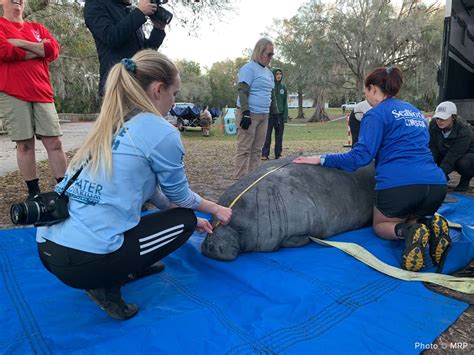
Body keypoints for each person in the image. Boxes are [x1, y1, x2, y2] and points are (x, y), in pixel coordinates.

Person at [36, 50, 232, 320]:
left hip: (47, 250)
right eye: (174, 94)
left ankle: (127, 267)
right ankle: (107, 285)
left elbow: (151, 190)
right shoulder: (161, 131)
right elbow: (181, 196)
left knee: (176, 216)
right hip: (83, 263)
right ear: (158, 89)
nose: (174, 103)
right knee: (186, 220)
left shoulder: (110, 124)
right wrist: (214, 209)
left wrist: (173, 209)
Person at [294, 67, 450, 272]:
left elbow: (360, 157)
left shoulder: (376, 114)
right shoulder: (415, 112)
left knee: (382, 225)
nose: (365, 96)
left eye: (366, 91)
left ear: (374, 89)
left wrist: (322, 159)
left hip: (400, 185)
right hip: (436, 186)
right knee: (411, 212)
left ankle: (409, 231)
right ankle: (429, 223)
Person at [0, 0, 67, 199]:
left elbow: (53, 51)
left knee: (54, 142)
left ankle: (65, 190)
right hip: (13, 92)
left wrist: (20, 43)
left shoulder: (37, 27)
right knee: (24, 145)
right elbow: (4, 51)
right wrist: (39, 49)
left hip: (42, 92)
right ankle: (34, 193)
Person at [84, 0, 167, 96]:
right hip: (117, 85)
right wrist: (139, 13)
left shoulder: (128, 12)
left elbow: (143, 53)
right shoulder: (94, 5)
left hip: (139, 85)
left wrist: (158, 30)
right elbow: (111, 37)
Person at [234, 38, 277, 179]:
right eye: (268, 54)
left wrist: (275, 114)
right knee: (244, 150)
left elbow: (271, 95)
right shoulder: (249, 69)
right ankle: (238, 181)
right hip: (249, 114)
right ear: (260, 51)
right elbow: (243, 91)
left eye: (272, 55)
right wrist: (245, 112)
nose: (271, 58)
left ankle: (251, 182)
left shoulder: (269, 73)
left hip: (264, 116)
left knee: (257, 150)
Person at [429, 101, 474, 192]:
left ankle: (465, 180)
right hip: (444, 150)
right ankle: (442, 177)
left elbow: (453, 155)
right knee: (429, 157)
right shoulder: (433, 124)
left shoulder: (464, 131)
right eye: (438, 118)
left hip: (464, 154)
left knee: (465, 162)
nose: (439, 121)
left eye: (443, 118)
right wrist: (430, 169)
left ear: (453, 117)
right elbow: (433, 147)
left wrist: (438, 175)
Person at [262, 67, 288, 160]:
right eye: (277, 74)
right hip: (270, 115)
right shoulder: (269, 86)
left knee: (279, 136)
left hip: (280, 115)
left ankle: (278, 154)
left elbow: (285, 102)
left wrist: (285, 116)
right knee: (267, 135)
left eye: (280, 74)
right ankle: (264, 154)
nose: (278, 76)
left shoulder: (283, 87)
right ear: (273, 75)